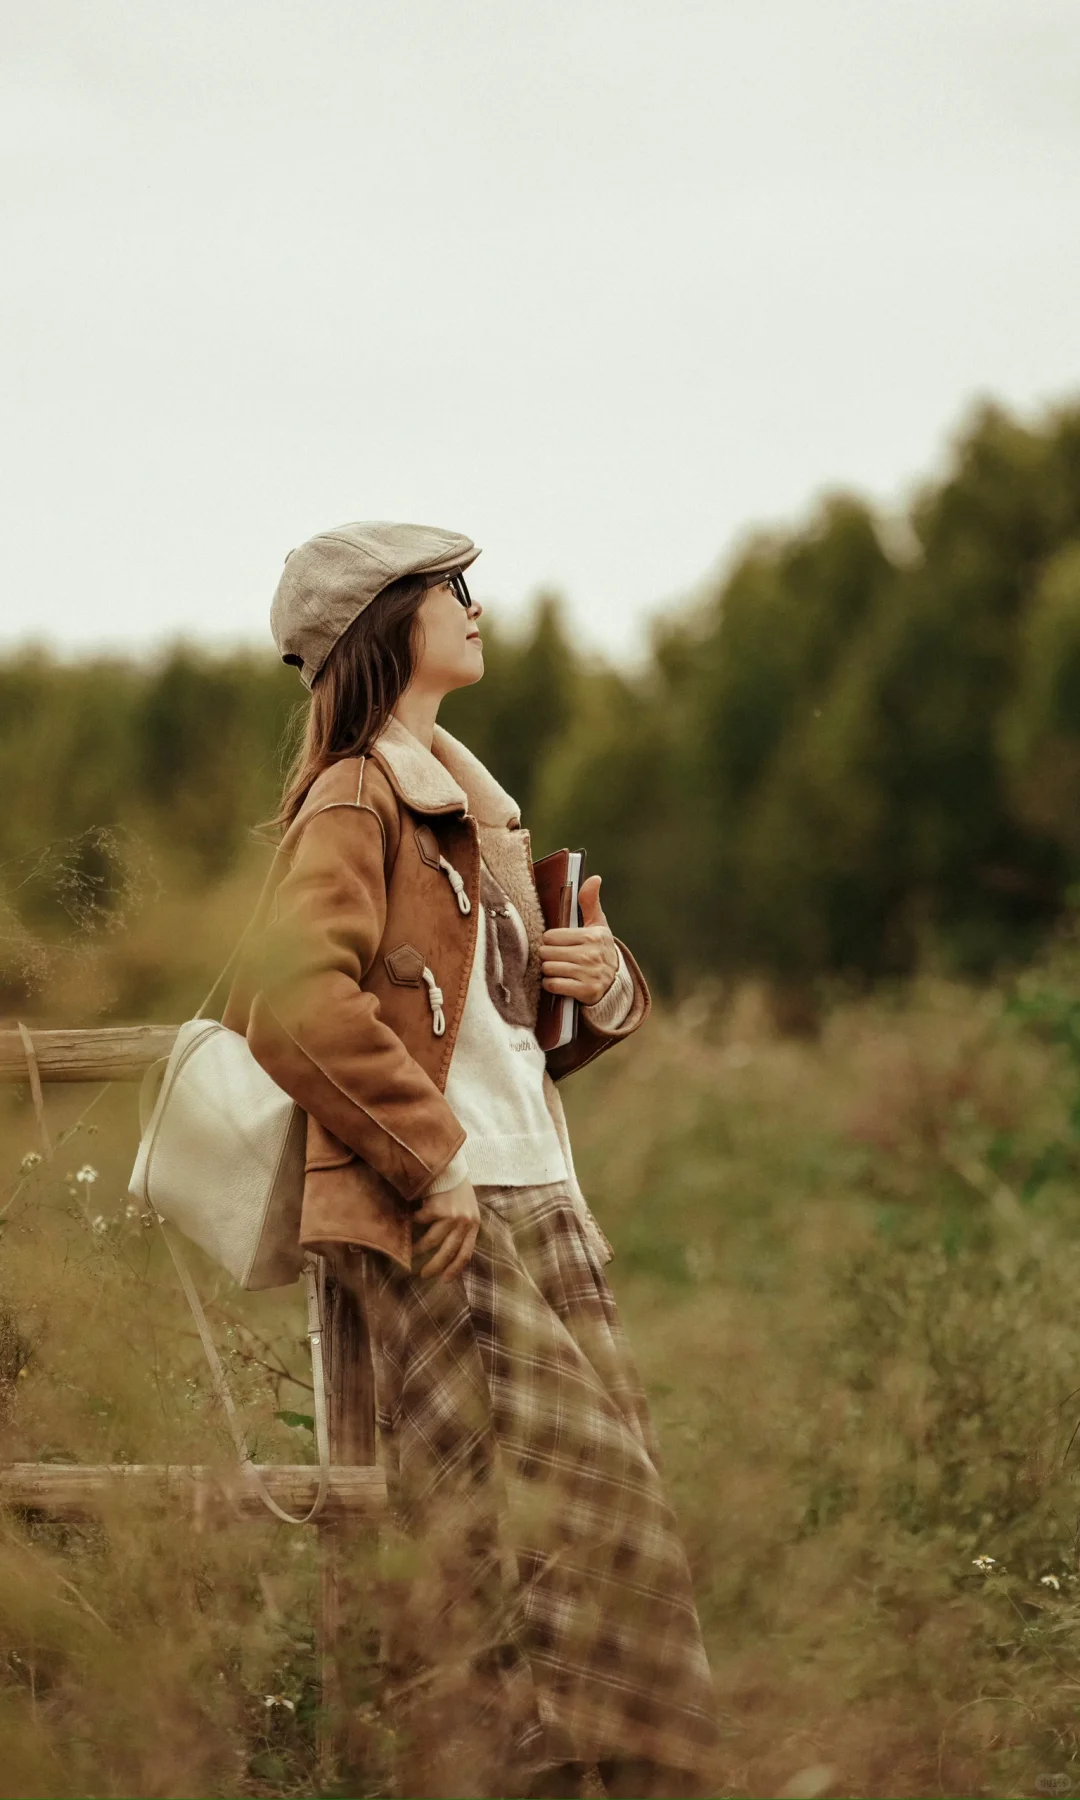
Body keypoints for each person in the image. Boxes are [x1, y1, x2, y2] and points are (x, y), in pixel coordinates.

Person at [222, 522, 718, 1798]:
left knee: (591, 1529)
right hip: (452, 1210)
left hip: (539, 1196)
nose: (475, 604)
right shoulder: (357, 795)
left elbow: (499, 1035)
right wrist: (429, 1158)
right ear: (385, 625)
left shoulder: (475, 811)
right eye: (451, 589)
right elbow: (293, 1005)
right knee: (545, 1532)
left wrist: (601, 988)